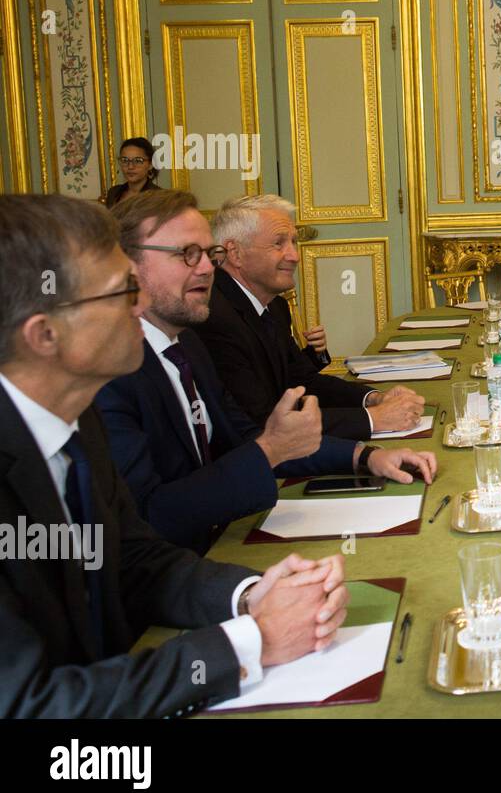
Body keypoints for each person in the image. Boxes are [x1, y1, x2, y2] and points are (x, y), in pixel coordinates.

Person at [0, 194, 349, 717]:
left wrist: (254, 594)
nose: (140, 308)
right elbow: (33, 704)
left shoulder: (76, 422)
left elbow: (135, 560)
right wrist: (252, 643)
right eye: (122, 293)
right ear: (45, 335)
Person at [95, 190, 438, 553]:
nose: (209, 268)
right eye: (187, 254)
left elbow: (248, 435)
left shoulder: (187, 345)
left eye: (209, 255)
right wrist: (271, 448)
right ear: (127, 266)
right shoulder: (109, 373)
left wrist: (365, 457)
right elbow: (150, 516)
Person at [196, 194, 425, 441]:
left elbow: (302, 381)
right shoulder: (214, 318)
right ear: (235, 253)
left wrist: (373, 398)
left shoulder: (276, 307)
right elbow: (261, 422)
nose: (294, 256)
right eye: (278, 243)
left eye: (293, 242)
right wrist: (374, 419)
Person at [103, 137, 163, 209]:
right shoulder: (113, 193)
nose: (130, 166)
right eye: (125, 160)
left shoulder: (159, 196)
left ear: (150, 164)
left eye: (138, 161)